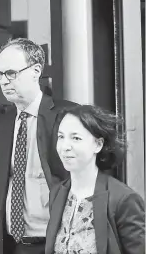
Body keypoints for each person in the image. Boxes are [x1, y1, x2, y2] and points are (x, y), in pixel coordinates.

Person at [0, 38, 77, 254]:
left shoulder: (68, 115)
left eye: (11, 73)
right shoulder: (1, 121)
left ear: (36, 70)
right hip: (13, 243)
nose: (4, 81)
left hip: (58, 242)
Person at [45, 105, 145, 254]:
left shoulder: (123, 199)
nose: (65, 146)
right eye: (61, 137)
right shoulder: (57, 193)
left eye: (76, 138)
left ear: (98, 145)